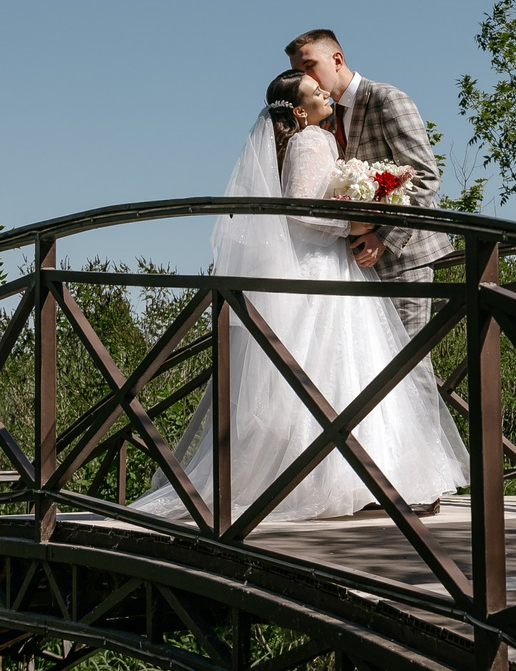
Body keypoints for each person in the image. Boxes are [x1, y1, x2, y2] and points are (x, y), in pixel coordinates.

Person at [131, 69, 466, 524]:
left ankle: (350, 477)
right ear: (299, 110)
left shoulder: (312, 139)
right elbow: (303, 215)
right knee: (344, 367)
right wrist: (355, 224)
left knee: (340, 370)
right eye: (314, 93)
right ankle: (359, 479)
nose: (324, 93)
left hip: (329, 265)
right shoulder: (312, 141)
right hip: (324, 267)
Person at [285, 29, 454, 333]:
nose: (304, 77)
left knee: (409, 364)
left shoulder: (386, 99)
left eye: (309, 66)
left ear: (337, 59)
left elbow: (425, 176)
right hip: (355, 267)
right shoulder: (323, 117)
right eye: (298, 72)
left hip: (404, 260)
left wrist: (383, 237)